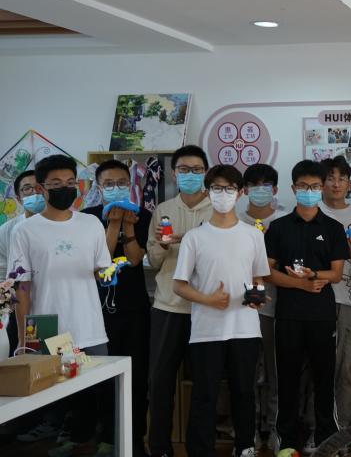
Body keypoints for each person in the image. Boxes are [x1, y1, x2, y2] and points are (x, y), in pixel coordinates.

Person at [10, 155, 111, 457]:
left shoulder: (91, 223)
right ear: (41, 188)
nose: (65, 188)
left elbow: (102, 269)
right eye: (56, 183)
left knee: (95, 392)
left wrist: (108, 273)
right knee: (60, 394)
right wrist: (24, 338)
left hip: (89, 323)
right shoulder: (25, 231)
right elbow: (22, 286)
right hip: (47, 326)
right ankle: (70, 441)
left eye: (70, 182)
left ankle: (89, 443)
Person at [172, 164, 270, 457]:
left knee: (244, 392)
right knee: (205, 394)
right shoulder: (194, 237)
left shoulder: (253, 235)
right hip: (207, 330)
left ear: (240, 193)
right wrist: (208, 299)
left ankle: (245, 447)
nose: (223, 194)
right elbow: (179, 285)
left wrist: (257, 296)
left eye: (229, 189)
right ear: (207, 192)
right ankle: (200, 450)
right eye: (216, 188)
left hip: (245, 328)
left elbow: (258, 277)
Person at [263, 160, 345, 455]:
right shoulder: (278, 227)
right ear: (293, 188)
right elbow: (267, 272)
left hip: (323, 316)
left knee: (324, 380)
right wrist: (301, 285)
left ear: (322, 188)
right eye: (303, 186)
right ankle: (286, 439)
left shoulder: (333, 228)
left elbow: (336, 274)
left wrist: (313, 275)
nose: (308, 191)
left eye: (314, 186)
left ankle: (325, 437)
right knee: (287, 380)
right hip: (287, 315)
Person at [82, 159, 153, 457]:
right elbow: (101, 261)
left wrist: (128, 226)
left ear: (131, 184)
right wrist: (113, 224)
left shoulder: (144, 216)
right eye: (108, 184)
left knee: (136, 377)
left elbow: (135, 259)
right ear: (98, 187)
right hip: (96, 311)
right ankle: (106, 438)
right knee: (100, 376)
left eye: (122, 183)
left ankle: (134, 440)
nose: (116, 188)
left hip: (135, 308)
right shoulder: (87, 219)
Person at [147, 144, 213, 457]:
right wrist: (163, 245)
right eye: (184, 170)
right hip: (168, 307)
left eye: (196, 170)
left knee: (204, 384)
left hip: (205, 308)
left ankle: (200, 448)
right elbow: (154, 261)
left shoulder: (218, 210)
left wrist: (188, 240)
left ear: (206, 173)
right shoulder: (163, 210)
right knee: (160, 382)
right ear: (174, 174)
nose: (190, 175)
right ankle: (160, 447)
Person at [239, 163, 288, 450]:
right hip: (239, 308)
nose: (260, 190)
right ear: (244, 190)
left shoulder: (284, 221)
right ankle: (249, 430)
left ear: (275, 190)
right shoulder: (234, 220)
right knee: (246, 371)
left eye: (266, 185)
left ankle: (274, 427)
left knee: (275, 370)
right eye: (254, 185)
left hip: (274, 307)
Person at [319, 156, 351, 428]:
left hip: (348, 299)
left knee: (347, 369)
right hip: (315, 299)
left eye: (342, 178)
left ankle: (344, 427)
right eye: (330, 178)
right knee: (317, 369)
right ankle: (317, 427)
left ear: (349, 183)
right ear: (322, 183)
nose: (336, 184)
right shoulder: (312, 211)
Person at [0, 170, 41, 353]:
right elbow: (3, 275)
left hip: (55, 305)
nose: (34, 193)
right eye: (27, 189)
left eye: (38, 187)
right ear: (18, 198)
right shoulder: (8, 230)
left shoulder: (62, 225)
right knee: (24, 359)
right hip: (20, 310)